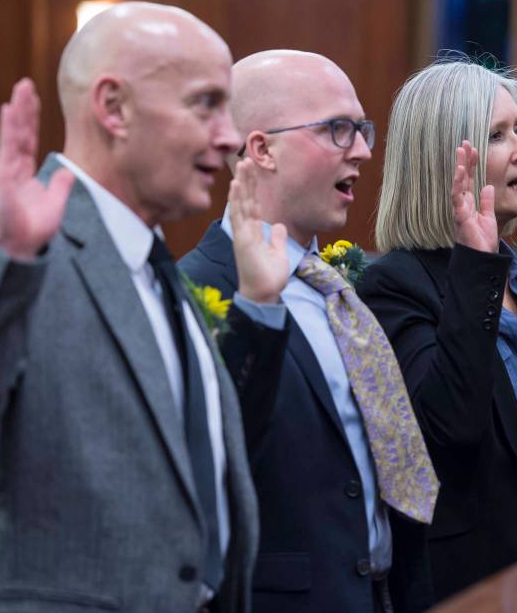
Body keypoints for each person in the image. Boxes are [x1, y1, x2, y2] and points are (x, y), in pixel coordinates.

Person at [0, 2, 286, 612]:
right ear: (113, 108)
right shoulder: (9, 251)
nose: (229, 135)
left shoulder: (157, 268)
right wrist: (9, 261)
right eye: (205, 104)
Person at [180, 49, 438, 613]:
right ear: (261, 148)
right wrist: (260, 305)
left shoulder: (346, 289)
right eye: (338, 130)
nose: (365, 151)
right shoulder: (195, 293)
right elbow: (210, 463)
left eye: (362, 129)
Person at [357, 60, 517, 602]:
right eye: (497, 135)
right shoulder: (395, 286)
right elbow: (448, 429)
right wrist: (476, 265)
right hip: (466, 587)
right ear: (443, 162)